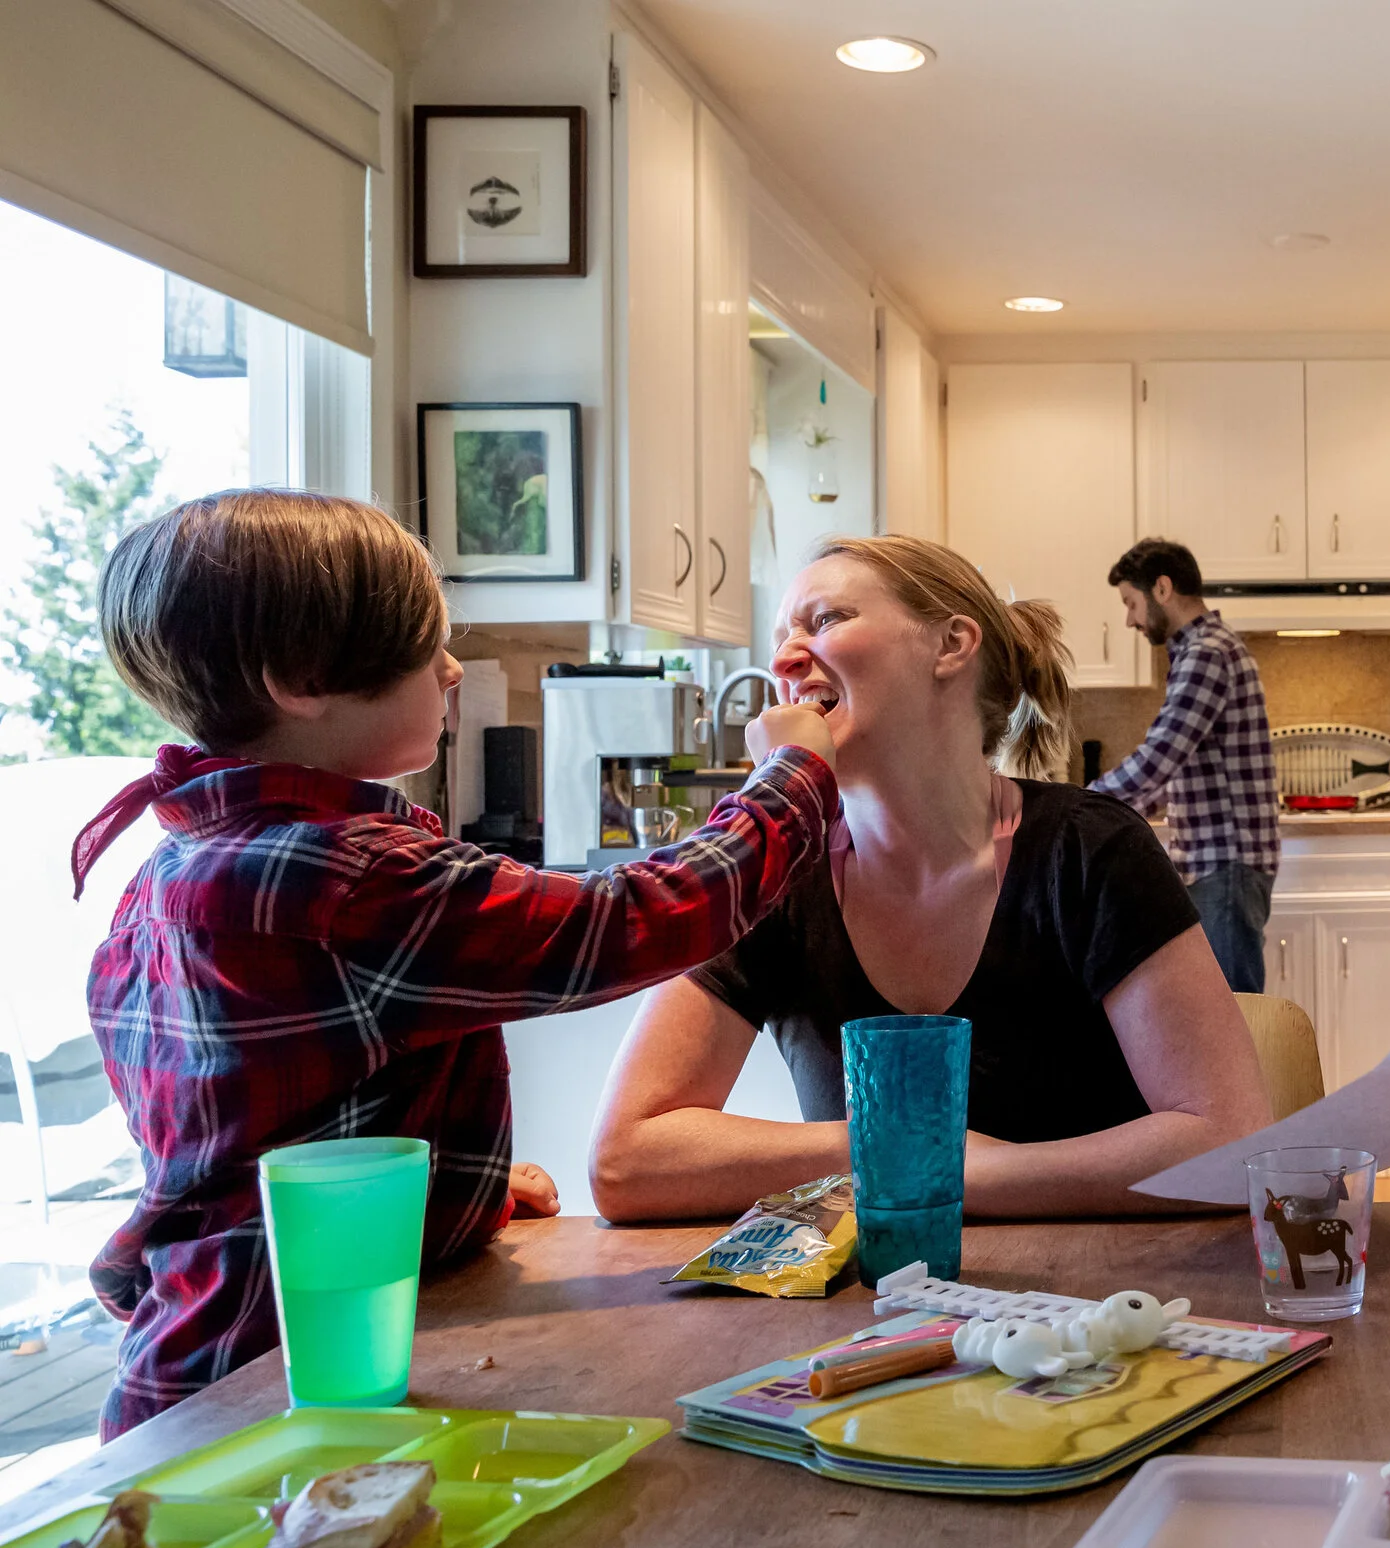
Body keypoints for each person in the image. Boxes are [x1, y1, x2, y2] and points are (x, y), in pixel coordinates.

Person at [75, 489, 842, 1439]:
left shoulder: (172, 868)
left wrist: (437, 1191)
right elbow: (631, 919)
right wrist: (791, 778)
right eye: (424, 645)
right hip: (277, 1382)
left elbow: (243, 1128)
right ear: (301, 679)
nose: (449, 669)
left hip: (191, 1356)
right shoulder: (346, 878)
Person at [589, 535, 1270, 1223]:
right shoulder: (774, 872)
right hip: (874, 1292)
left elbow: (1229, 1141)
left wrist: (955, 1170)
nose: (784, 660)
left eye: (825, 620)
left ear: (951, 645)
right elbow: (623, 1161)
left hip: (1102, 1291)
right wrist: (888, 1148)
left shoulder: (1092, 852)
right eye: (782, 637)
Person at [1091, 539, 1279, 992]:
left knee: (1233, 1010)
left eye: (1130, 603)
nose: (1130, 620)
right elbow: (1180, 764)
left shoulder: (1207, 653)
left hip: (1224, 864)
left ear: (1162, 588)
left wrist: (1081, 802)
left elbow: (1160, 757)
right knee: (1224, 1008)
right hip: (1220, 863)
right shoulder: (1204, 649)